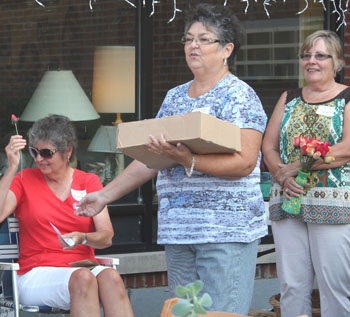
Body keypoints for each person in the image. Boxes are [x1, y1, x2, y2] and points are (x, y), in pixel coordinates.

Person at [76, 4, 267, 314]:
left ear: (226, 49)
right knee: (182, 313)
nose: (193, 45)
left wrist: (189, 159)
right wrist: (105, 195)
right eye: (189, 38)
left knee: (221, 314)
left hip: (225, 232)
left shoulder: (240, 95)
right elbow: (153, 159)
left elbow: (245, 162)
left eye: (204, 39)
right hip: (178, 232)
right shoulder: (175, 97)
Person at [0, 115, 134, 317]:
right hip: (36, 271)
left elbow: (107, 237)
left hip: (80, 265)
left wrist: (83, 237)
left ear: (67, 152)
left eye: (46, 153)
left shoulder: (88, 181)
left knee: (112, 278)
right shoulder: (24, 179)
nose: (38, 159)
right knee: (83, 279)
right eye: (34, 152)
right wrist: (11, 167)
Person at [262, 30, 350, 317]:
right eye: (306, 55)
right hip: (289, 201)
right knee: (292, 285)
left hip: (332, 204)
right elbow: (268, 146)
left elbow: (347, 149)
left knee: (333, 285)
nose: (311, 61)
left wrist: (299, 165)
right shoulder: (290, 97)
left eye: (320, 55)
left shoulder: (347, 97)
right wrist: (283, 176)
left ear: (337, 62)